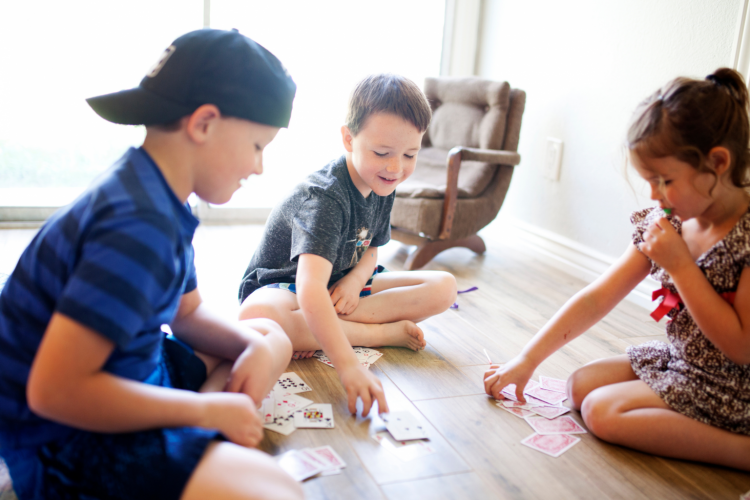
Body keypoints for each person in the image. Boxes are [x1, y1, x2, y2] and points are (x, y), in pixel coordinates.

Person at [0, 29, 304, 500]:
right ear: (204, 123)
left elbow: (186, 314)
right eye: (258, 146)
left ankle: (191, 445)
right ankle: (191, 442)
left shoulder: (158, 194)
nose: (259, 168)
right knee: (279, 491)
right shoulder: (137, 225)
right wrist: (203, 413)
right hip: (62, 440)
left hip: (130, 373)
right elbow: (53, 393)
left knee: (269, 338)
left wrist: (254, 351)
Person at [484, 68, 750, 471]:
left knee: (600, 412)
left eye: (664, 179)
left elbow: (741, 348)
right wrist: (527, 358)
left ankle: (741, 451)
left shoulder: (744, 237)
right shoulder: (667, 222)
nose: (653, 194)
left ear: (717, 163)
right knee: (579, 386)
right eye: (648, 180)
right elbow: (597, 297)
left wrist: (680, 266)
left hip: (734, 385)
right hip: (682, 361)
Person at [238, 74, 457, 417]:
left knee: (445, 287)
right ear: (348, 138)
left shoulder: (384, 180)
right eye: (382, 152)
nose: (396, 167)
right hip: (286, 287)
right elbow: (310, 289)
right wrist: (349, 365)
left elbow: (371, 250)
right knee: (258, 315)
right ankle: (379, 334)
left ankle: (322, 330)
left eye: (410, 154)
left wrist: (355, 282)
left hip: (340, 282)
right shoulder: (325, 197)